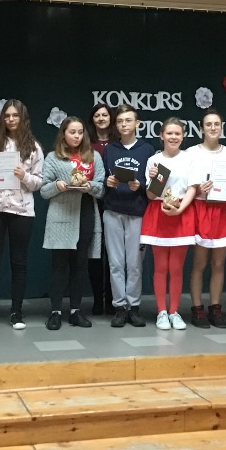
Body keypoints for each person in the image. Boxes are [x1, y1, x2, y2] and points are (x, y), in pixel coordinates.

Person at [0, 99, 44, 330]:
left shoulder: (34, 147)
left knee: (19, 261)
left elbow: (38, 182)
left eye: (15, 115)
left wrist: (23, 176)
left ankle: (17, 312)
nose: (11, 119)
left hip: (21, 210)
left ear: (22, 118)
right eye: (7, 116)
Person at [41, 116, 105, 329]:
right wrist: (57, 186)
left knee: (80, 264)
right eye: (72, 132)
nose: (77, 136)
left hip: (85, 212)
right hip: (61, 214)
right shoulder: (53, 157)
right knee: (59, 265)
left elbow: (101, 188)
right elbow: (44, 190)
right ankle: (55, 312)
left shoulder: (93, 156)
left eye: (80, 132)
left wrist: (90, 187)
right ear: (63, 134)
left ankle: (76, 311)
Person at [187, 108, 226, 329]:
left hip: (224, 210)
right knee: (199, 263)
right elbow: (185, 185)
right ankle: (197, 309)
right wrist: (198, 189)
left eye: (216, 124)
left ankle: (215, 308)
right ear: (201, 128)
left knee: (219, 263)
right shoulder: (191, 153)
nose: (212, 128)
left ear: (222, 128)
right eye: (208, 124)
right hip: (202, 208)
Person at [140, 117, 197, 330]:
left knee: (176, 267)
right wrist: (155, 179)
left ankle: (174, 312)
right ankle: (161, 312)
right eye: (169, 133)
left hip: (181, 213)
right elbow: (150, 195)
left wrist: (180, 209)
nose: (173, 137)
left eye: (177, 133)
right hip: (159, 212)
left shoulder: (189, 159)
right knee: (161, 266)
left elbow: (192, 188)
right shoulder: (153, 161)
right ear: (161, 136)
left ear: (183, 136)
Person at [102, 105, 154, 328]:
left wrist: (140, 186)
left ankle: (134, 307)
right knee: (115, 263)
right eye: (120, 121)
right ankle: (119, 307)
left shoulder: (147, 149)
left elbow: (153, 184)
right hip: (113, 211)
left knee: (134, 264)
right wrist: (107, 182)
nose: (124, 124)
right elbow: (102, 177)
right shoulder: (110, 149)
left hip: (137, 212)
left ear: (137, 123)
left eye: (128, 120)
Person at [87, 104, 116, 315]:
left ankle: (113, 299)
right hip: (92, 203)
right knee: (95, 253)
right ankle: (98, 299)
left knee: (113, 254)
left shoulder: (118, 143)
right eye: (97, 115)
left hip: (115, 202)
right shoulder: (86, 144)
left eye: (105, 115)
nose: (101, 118)